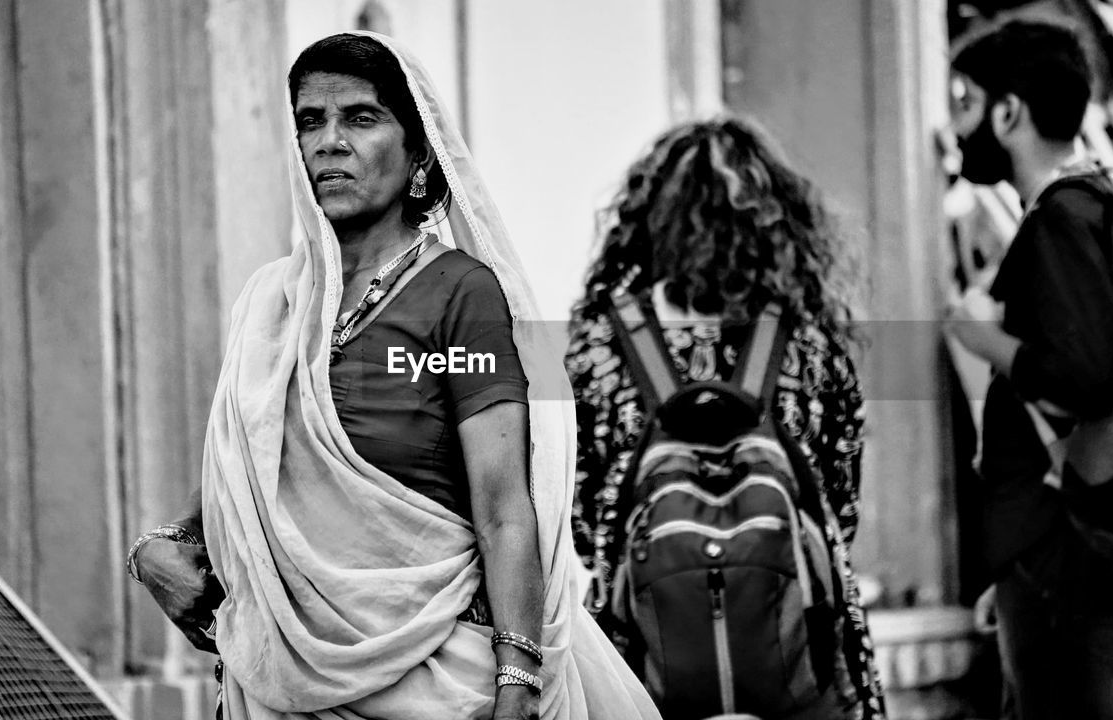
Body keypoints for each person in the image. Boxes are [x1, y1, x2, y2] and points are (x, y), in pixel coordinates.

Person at [126, 32, 661, 720]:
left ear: (417, 156)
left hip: (436, 685)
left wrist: (518, 681)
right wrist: (158, 551)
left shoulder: (461, 296)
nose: (330, 141)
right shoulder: (272, 304)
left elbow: (504, 508)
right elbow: (252, 480)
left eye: (361, 117)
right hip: (279, 688)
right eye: (310, 121)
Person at [565, 118, 887, 719]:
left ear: (647, 220)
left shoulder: (600, 349)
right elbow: (840, 513)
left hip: (645, 667)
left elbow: (584, 527)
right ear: (780, 226)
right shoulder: (810, 344)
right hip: (802, 667)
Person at [943, 20, 1113, 720]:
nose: (953, 123)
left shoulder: (1061, 216)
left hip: (1059, 547)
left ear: (1008, 113)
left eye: (963, 101)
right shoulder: (1099, 205)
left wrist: (982, 338)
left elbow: (1081, 375)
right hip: (1061, 542)